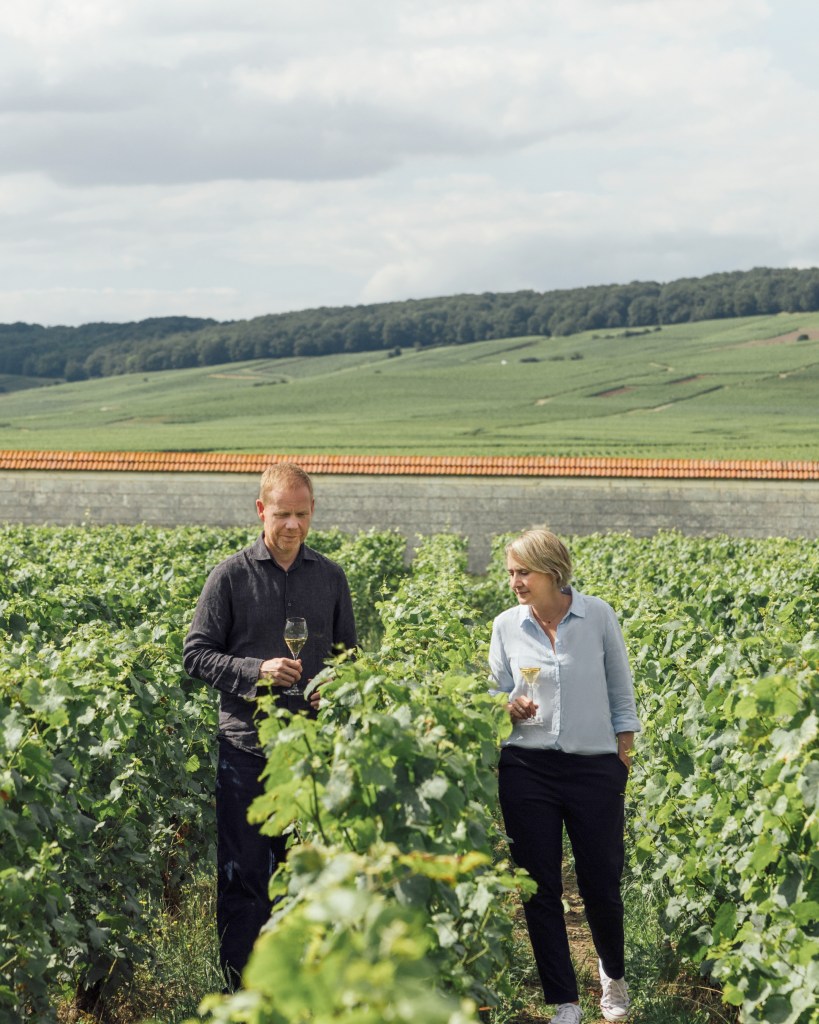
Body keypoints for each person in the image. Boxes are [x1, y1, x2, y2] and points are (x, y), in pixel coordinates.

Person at [183, 461, 357, 990]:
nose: (292, 526)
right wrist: (256, 671)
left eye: (301, 514)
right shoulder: (230, 577)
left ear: (313, 511)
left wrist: (337, 687)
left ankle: (296, 990)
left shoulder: (330, 577)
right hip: (246, 751)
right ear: (261, 510)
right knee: (244, 879)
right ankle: (241, 993)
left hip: (311, 751)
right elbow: (195, 655)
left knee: (305, 876)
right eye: (282, 514)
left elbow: (349, 658)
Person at [488, 528, 641, 1024]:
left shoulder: (597, 616)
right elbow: (493, 691)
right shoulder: (506, 625)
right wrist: (506, 706)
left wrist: (621, 756)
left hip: (594, 769)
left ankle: (612, 975)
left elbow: (620, 689)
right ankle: (564, 1001)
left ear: (553, 572)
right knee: (539, 888)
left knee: (601, 882)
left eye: (524, 572)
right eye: (511, 573)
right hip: (527, 769)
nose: (515, 582)